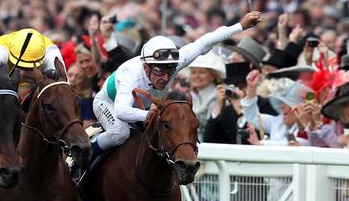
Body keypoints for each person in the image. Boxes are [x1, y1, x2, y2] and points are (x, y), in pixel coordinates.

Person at [91, 11, 262, 160]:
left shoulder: (174, 63)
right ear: (146, 66)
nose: (165, 77)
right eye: (159, 70)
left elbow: (206, 41)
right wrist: (146, 115)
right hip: (109, 103)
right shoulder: (132, 75)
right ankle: (86, 156)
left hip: (143, 107)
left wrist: (242, 25)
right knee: (120, 133)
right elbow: (121, 111)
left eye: (170, 70)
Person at [0, 28, 66, 103]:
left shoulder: (51, 51)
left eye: (29, 68)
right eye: (19, 67)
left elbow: (62, 86)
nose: (22, 73)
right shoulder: (1, 48)